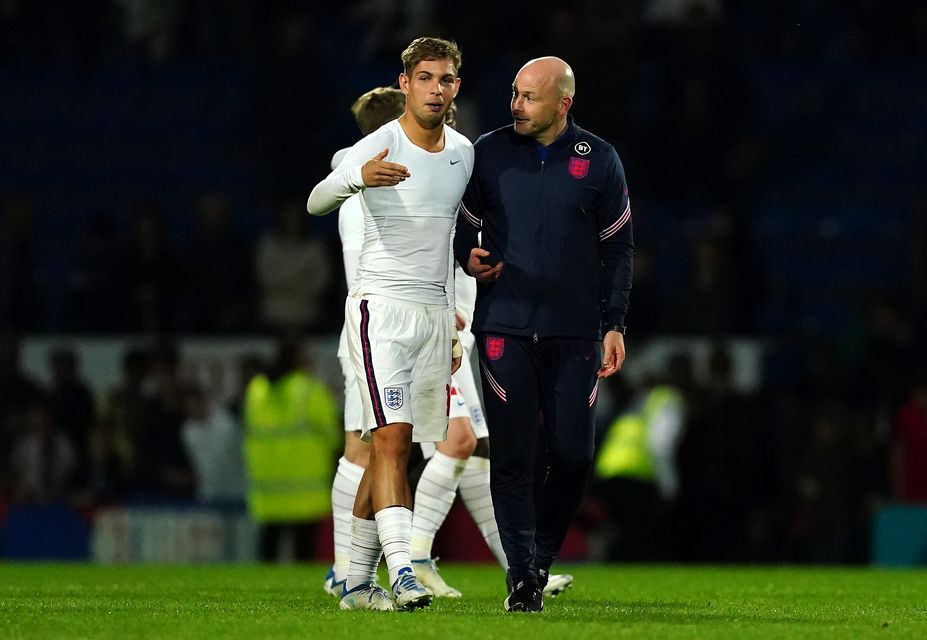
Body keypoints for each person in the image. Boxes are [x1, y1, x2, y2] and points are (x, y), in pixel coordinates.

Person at [454, 56, 634, 612]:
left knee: (575, 456)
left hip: (576, 334)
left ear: (564, 103)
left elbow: (618, 250)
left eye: (529, 97)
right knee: (513, 456)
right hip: (503, 327)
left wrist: (614, 324)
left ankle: (538, 560)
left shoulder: (600, 160)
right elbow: (460, 225)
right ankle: (522, 577)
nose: (516, 105)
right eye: (514, 93)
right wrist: (469, 256)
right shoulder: (487, 152)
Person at [307, 36, 471, 611]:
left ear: (456, 87)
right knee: (389, 441)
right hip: (381, 312)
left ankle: (354, 583)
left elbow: (451, 237)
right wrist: (357, 179)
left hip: (432, 316)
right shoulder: (379, 143)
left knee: (393, 451)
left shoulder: (464, 153)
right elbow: (315, 200)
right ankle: (403, 569)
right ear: (405, 83)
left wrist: (453, 325)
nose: (435, 88)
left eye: (445, 79)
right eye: (425, 77)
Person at [323, 85, 407, 597]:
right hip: (374, 327)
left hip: (373, 325)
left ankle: (349, 569)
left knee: (369, 446)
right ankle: (348, 570)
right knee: (364, 449)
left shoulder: (360, 180)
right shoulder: (365, 186)